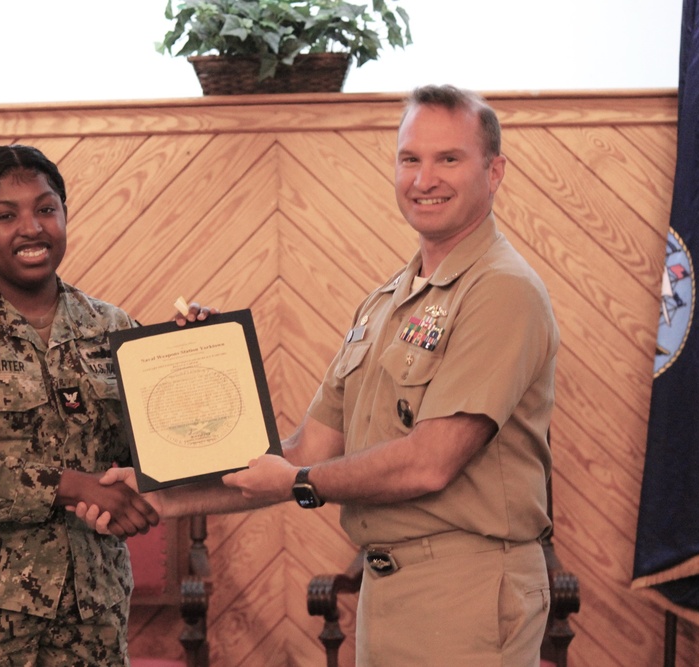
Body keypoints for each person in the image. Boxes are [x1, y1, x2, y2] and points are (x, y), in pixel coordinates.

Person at [87, 85, 560, 666]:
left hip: (467, 591)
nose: (424, 178)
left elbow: (432, 460)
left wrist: (298, 481)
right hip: (388, 591)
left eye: (449, 159)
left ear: (494, 172)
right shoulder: (385, 304)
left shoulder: (501, 290)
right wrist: (158, 491)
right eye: (410, 159)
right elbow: (300, 451)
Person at [0, 144, 206, 666]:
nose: (32, 227)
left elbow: (156, 451)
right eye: (5, 215)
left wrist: (193, 357)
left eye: (46, 208)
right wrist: (68, 485)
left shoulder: (110, 326)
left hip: (90, 614)